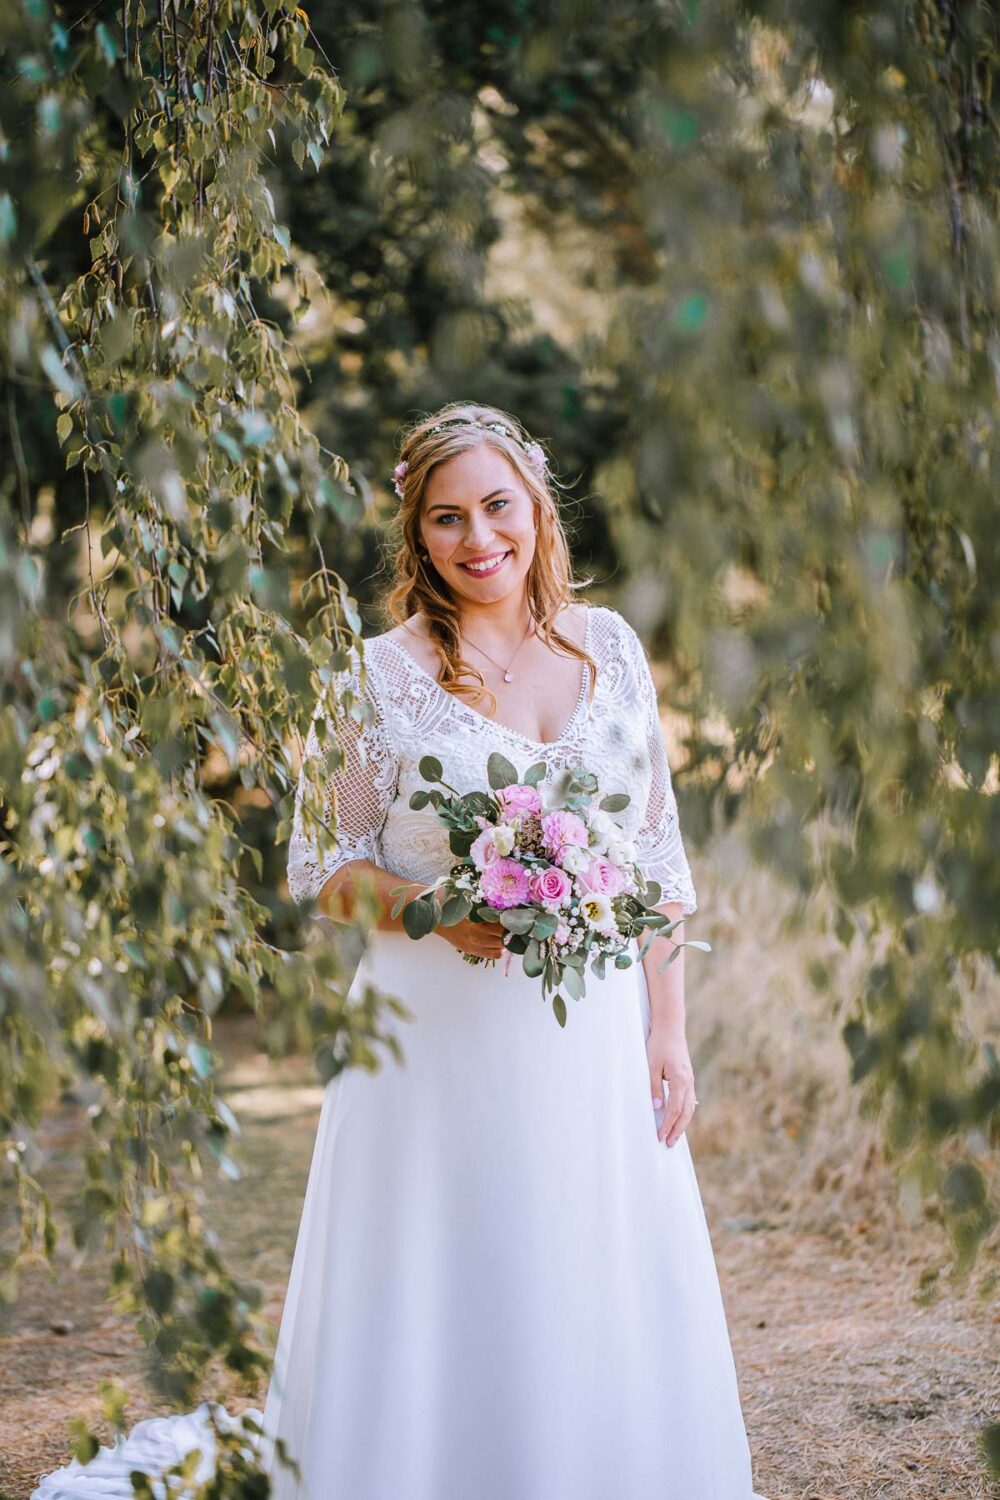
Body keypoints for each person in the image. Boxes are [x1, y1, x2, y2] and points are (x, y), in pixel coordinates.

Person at [32, 402, 766, 1500]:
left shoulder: (610, 647)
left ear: (535, 502)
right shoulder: (375, 678)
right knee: (451, 1275)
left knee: (587, 1266)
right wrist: (431, 908)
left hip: (590, 1039)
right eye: (447, 519)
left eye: (496, 508)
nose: (479, 541)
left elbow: (655, 855)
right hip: (436, 1045)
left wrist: (667, 1031)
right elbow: (318, 868)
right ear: (416, 535)